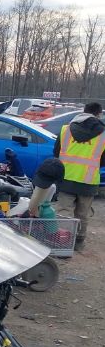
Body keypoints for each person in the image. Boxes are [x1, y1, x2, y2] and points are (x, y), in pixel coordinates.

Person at [52, 102, 105, 250]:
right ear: (98, 114)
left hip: (66, 177)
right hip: (89, 180)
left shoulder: (65, 130)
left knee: (64, 212)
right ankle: (79, 243)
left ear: (84, 112)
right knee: (83, 213)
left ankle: (63, 243)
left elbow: (56, 153)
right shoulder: (103, 134)